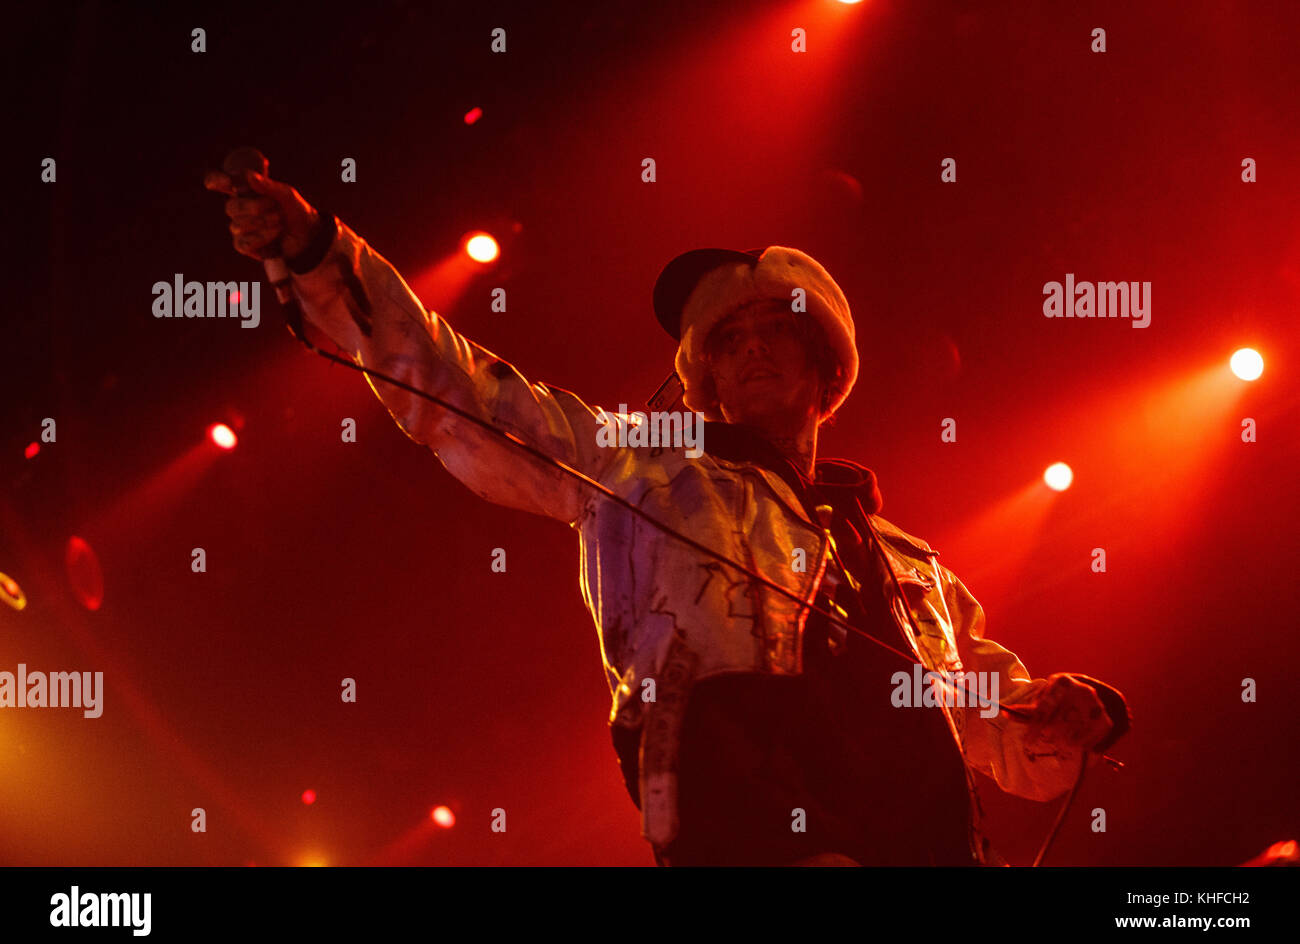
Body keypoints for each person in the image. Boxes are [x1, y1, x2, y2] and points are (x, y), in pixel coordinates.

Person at [205, 168, 1128, 866]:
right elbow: (462, 390)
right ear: (705, 379)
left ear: (826, 371)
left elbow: (1002, 727)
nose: (753, 348)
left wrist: (1072, 711)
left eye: (777, 331)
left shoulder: (909, 564)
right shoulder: (637, 466)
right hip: (752, 836)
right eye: (728, 340)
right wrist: (325, 257)